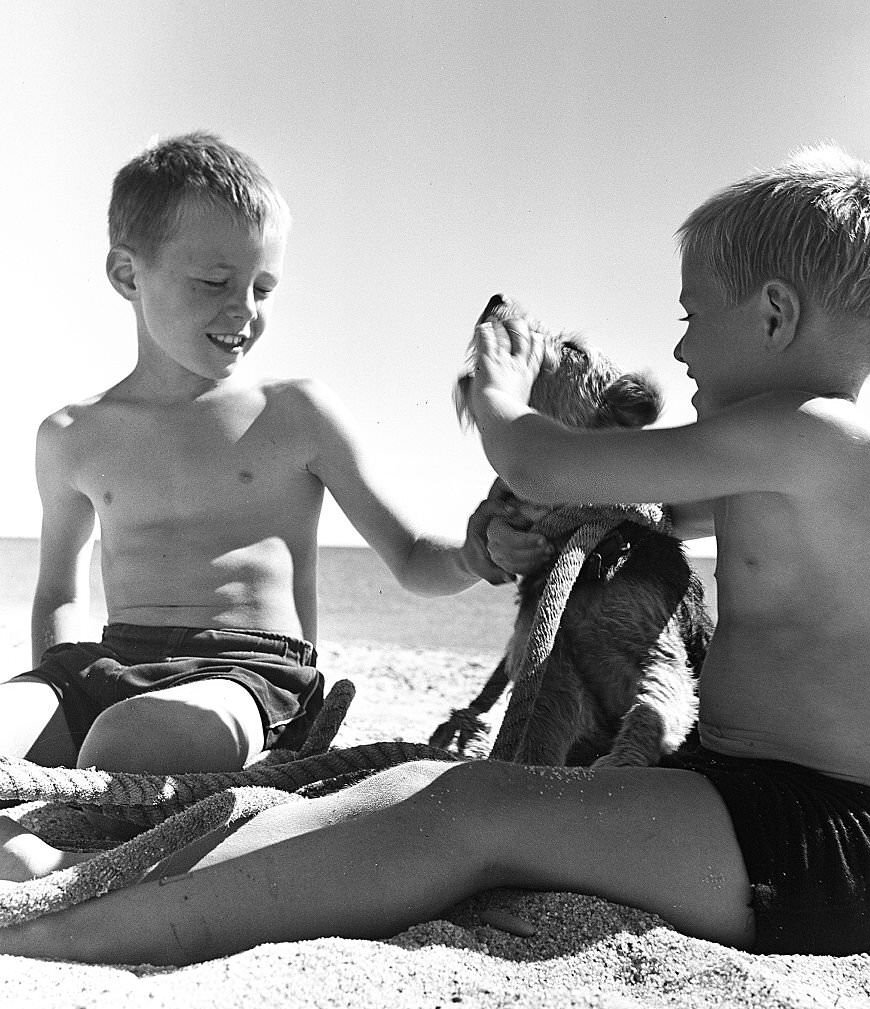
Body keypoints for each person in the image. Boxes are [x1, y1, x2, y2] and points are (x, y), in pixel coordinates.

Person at [0, 145, 870, 965]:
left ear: (774, 315)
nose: (679, 351)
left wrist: (501, 386)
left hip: (822, 839)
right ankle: (126, 884)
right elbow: (635, 502)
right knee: (412, 792)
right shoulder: (802, 464)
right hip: (755, 808)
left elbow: (543, 464)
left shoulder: (818, 441)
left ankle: (70, 934)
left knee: (462, 809)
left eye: (690, 313)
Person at [0, 132, 512, 787]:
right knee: (68, 728)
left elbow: (411, 555)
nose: (243, 309)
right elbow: (57, 592)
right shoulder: (72, 434)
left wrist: (475, 555)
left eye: (263, 287)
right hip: (106, 665)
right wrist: (55, 706)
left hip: (249, 676)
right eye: (215, 282)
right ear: (129, 274)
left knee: (127, 738)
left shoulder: (296, 414)